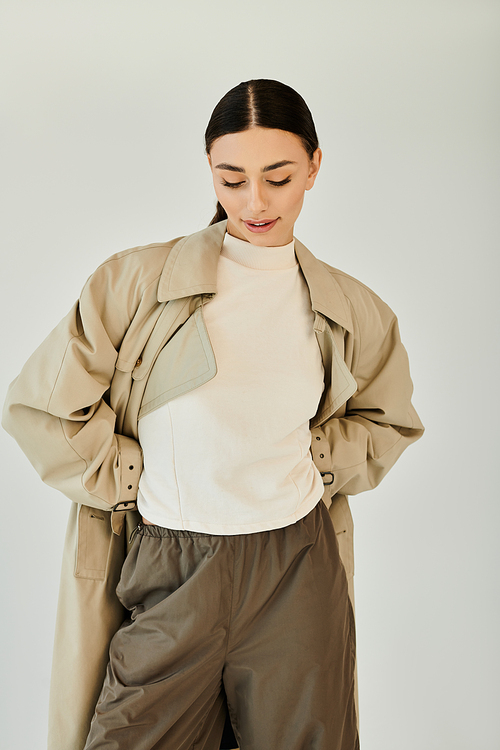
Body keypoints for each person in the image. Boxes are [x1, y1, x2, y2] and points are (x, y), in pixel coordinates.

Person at [2, 79, 424, 750]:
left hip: (296, 568)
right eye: (232, 179)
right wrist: (129, 475)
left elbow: (388, 419)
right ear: (209, 170)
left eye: (278, 178)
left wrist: (317, 465)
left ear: (314, 166)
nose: (255, 202)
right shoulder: (135, 283)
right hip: (170, 564)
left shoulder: (351, 308)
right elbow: (41, 406)